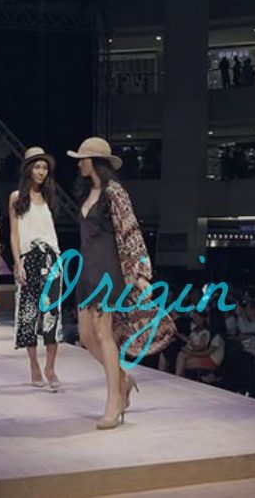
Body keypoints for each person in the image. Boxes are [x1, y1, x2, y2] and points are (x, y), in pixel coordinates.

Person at [67, 137, 175, 430]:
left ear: (95, 161)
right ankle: (123, 379)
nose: (79, 163)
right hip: (87, 269)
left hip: (107, 270)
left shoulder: (114, 191)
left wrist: (141, 273)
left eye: (82, 158)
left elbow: (130, 231)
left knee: (104, 335)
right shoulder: (87, 192)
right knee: (86, 336)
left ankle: (113, 402)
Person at [9, 147, 63, 390]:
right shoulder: (16, 197)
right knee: (29, 314)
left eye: (45, 168)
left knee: (52, 313)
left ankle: (50, 367)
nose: (41, 172)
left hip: (52, 258)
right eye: (37, 167)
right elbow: (14, 233)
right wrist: (17, 262)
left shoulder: (50, 196)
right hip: (28, 257)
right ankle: (34, 365)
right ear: (28, 169)